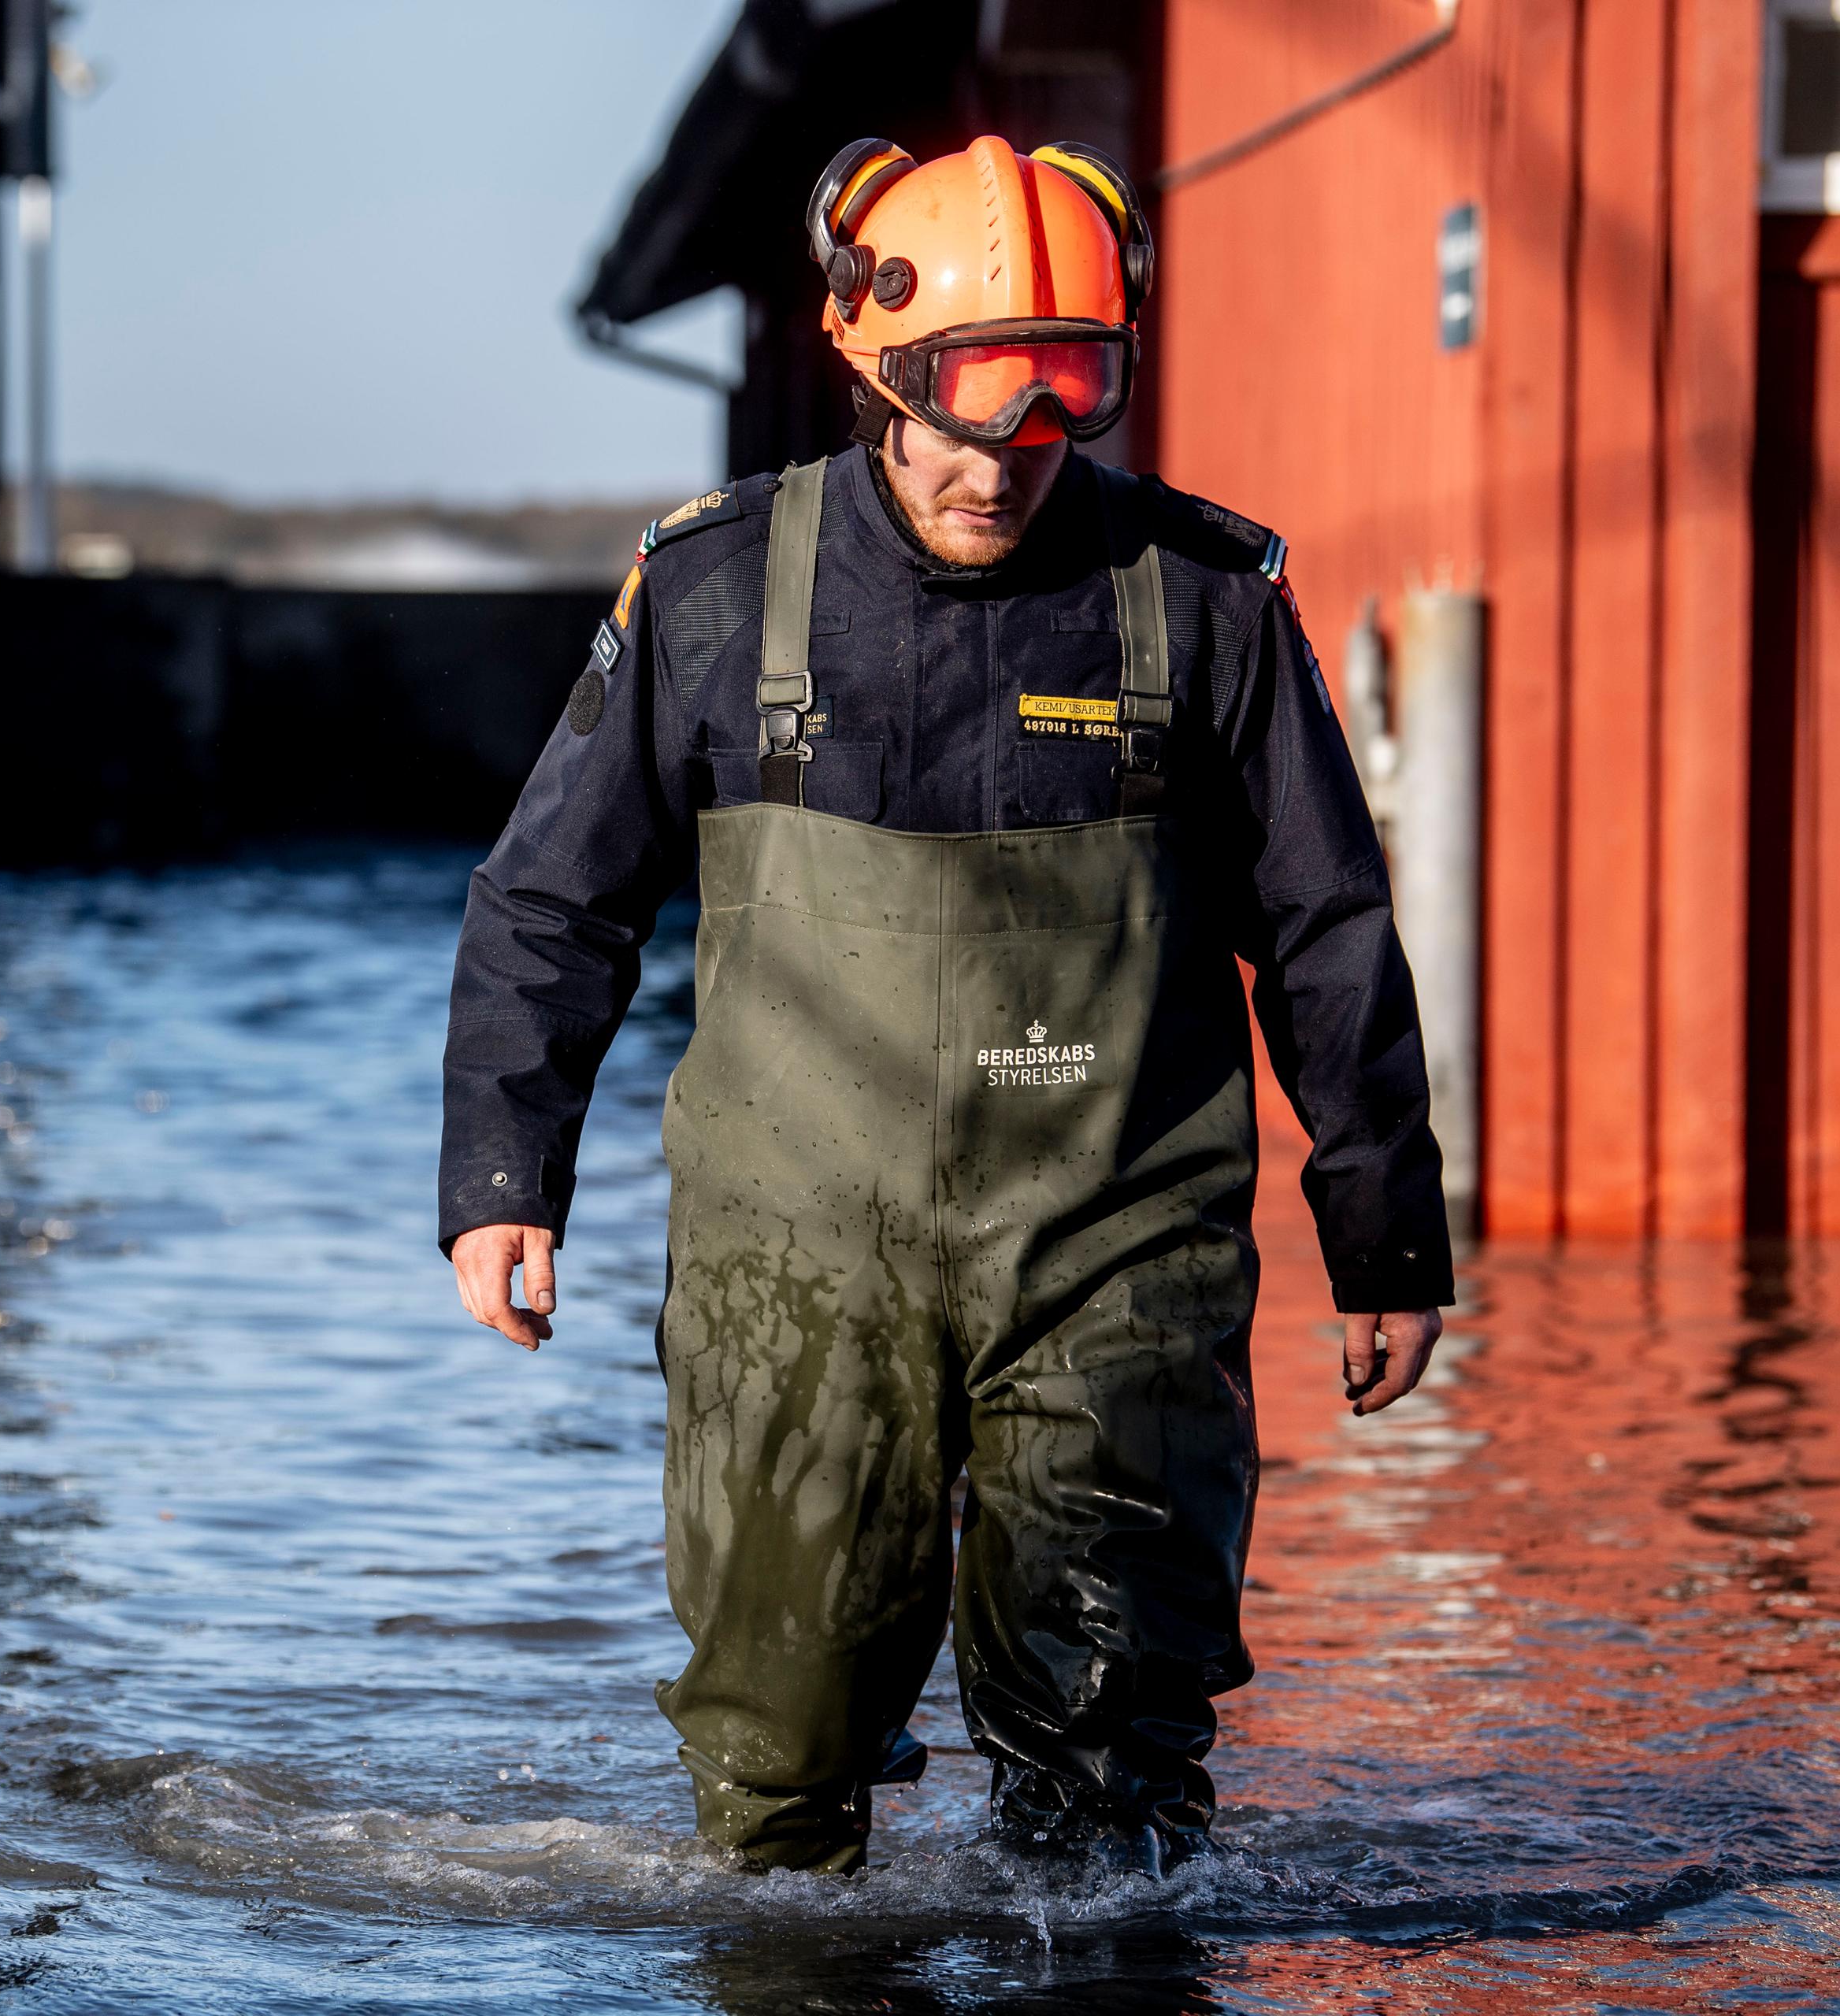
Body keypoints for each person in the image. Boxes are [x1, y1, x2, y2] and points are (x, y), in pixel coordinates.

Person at [438, 135, 1451, 1877]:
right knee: (782, 1758)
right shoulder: (712, 585)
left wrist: (1387, 1231)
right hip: (795, 1264)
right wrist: (502, 1174)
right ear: (866, 365)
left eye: (1048, 426)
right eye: (962, 420)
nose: (997, 469)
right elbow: (553, 898)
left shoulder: (1204, 602)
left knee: (1113, 1761)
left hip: (1113, 1254)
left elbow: (1326, 929)